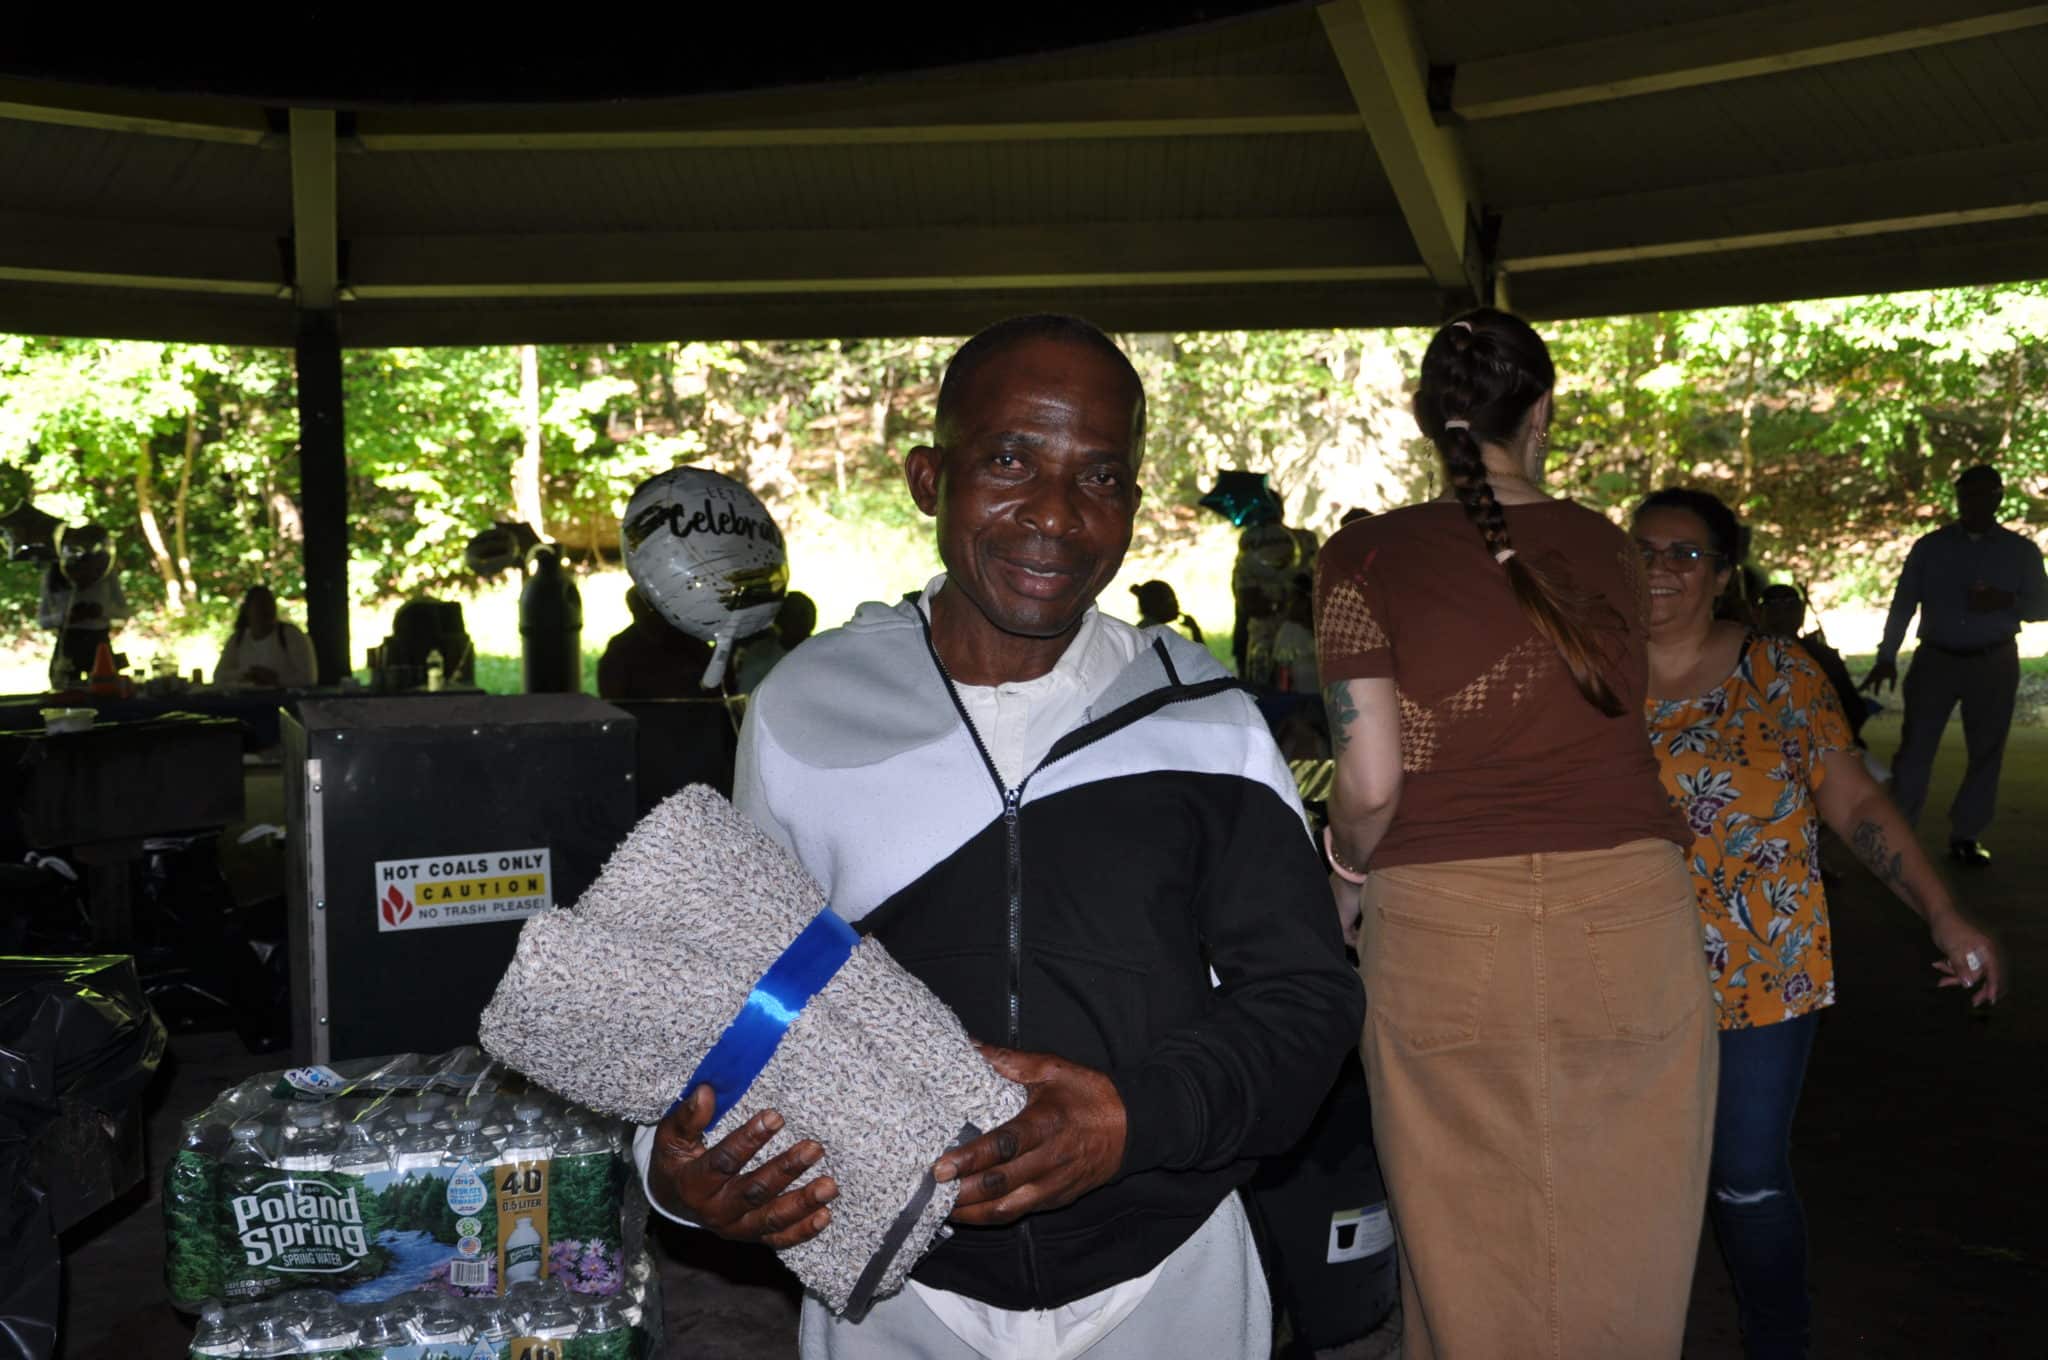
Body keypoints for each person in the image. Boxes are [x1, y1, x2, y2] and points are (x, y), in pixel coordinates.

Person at [636, 314, 1362, 1359]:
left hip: (1167, 1275)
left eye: (1099, 476)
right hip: (891, 1286)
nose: (1056, 515)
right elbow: (737, 987)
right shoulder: (807, 708)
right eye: (1010, 459)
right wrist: (677, 1165)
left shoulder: (1205, 720)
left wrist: (1132, 1119)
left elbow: (1307, 998)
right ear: (929, 477)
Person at [1316, 308, 1716, 1358]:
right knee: (1629, 1227)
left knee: (1461, 1245)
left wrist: (1343, 875)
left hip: (1442, 918)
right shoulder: (1612, 549)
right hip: (1632, 913)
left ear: (1425, 416)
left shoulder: (1361, 555)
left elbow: (1369, 781)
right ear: (1540, 411)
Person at [1635, 486, 2004, 1359]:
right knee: (1630, 1176)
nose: (1659, 569)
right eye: (1642, 550)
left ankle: (1779, 1342)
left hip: (1765, 965)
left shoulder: (1780, 673)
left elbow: (1857, 804)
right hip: (1625, 967)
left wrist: (1943, 913)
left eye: (1685, 553)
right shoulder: (1587, 677)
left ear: (1723, 572)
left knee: (1746, 1180)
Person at [1861, 464, 2048, 865]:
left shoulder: (2021, 551)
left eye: (1982, 495)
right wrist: (1886, 656)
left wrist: (2006, 601)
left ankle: (1967, 834)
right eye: (1966, 495)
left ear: (1998, 498)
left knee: (1987, 750)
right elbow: (1903, 603)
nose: (1973, 503)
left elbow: (2042, 606)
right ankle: (1901, 834)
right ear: (1958, 499)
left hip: (1994, 658)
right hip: (1936, 657)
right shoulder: (1931, 547)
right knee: (1915, 748)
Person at [1757, 583, 1868, 745]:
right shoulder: (1748, 657)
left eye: (1789, 607)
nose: (1783, 613)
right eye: (1775, 607)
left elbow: (1852, 709)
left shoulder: (1823, 657)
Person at [596, 586, 716, 699]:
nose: (651, 618)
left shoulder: (691, 641)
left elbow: (714, 686)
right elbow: (612, 696)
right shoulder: (621, 647)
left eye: (655, 612)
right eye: (642, 612)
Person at [38, 559, 128, 684]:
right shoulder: (53, 574)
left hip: (98, 641)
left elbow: (124, 611)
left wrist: (101, 612)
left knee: (104, 687)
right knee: (65, 687)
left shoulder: (105, 572)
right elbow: (43, 620)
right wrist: (67, 617)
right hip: (69, 642)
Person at [213, 585, 316, 688]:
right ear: (248, 610)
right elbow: (219, 677)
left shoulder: (291, 636)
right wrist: (246, 675)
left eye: (269, 605)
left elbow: (308, 678)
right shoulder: (238, 639)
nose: (266, 610)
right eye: (260, 606)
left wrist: (275, 679)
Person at [733, 589, 818, 694]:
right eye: (793, 614)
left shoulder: (823, 653)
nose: (801, 621)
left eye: (804, 614)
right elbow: (747, 695)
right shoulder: (759, 654)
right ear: (779, 619)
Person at [1129, 579, 1202, 644]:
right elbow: (1200, 655)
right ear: (1156, 604)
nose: (1177, 604)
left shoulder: (1142, 631)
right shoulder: (1159, 635)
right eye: (1170, 599)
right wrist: (1195, 630)